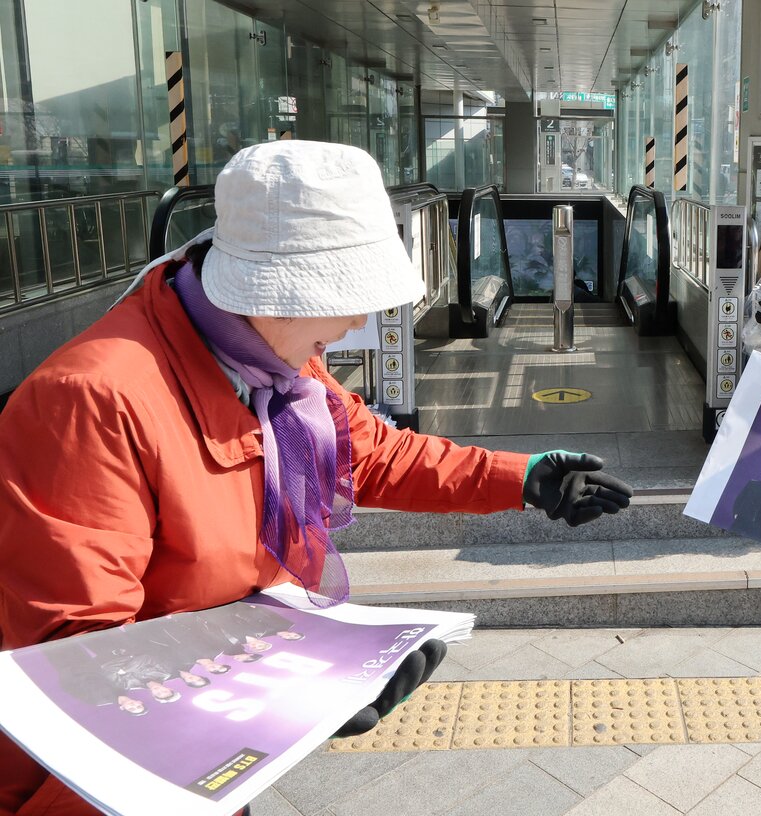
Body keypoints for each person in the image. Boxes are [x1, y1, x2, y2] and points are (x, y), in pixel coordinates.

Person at [0, 141, 634, 815]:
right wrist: (295, 699)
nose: (357, 321)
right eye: (347, 298)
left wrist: (523, 477)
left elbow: (369, 452)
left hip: (200, 772)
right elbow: (85, 664)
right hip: (93, 790)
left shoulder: (273, 367)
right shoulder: (93, 401)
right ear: (274, 296)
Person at [732, 465, 761, 536]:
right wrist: (735, 513)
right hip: (741, 517)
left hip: (755, 525)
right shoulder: (752, 483)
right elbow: (740, 498)